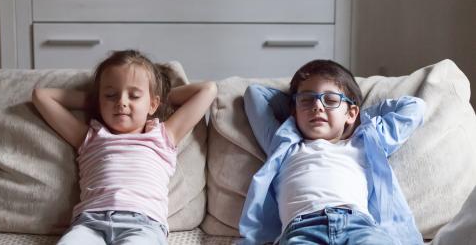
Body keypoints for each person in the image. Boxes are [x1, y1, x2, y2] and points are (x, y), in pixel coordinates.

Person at [32, 50, 217, 244]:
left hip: (143, 224)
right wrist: (95, 102)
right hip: (89, 223)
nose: (121, 102)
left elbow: (208, 90)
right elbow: (41, 96)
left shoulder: (163, 136)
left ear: (153, 103)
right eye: (111, 95)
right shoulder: (89, 137)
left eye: (135, 96)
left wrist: (155, 100)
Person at [239, 59, 425, 245]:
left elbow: (414, 107)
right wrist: (295, 106)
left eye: (331, 100)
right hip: (302, 230)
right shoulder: (283, 143)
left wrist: (358, 118)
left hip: (359, 227)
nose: (318, 106)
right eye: (307, 99)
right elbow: (254, 94)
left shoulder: (365, 142)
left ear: (351, 114)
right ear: (293, 111)